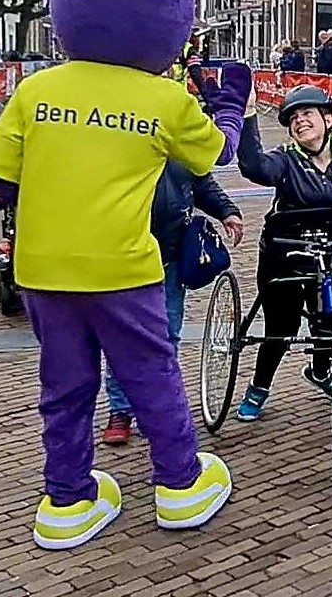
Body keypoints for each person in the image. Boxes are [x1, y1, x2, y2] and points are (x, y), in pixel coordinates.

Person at [0, 0, 251, 550]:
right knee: (152, 374)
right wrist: (231, 103)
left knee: (63, 385)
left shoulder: (34, 90)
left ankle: (66, 503)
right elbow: (218, 153)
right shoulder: (166, 99)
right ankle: (180, 486)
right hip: (123, 267)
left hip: (43, 268)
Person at [234, 84, 332, 420]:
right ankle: (259, 386)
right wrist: (248, 114)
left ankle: (322, 372)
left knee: (331, 322)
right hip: (286, 257)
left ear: (327, 118)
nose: (299, 121)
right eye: (293, 117)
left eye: (307, 113)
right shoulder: (286, 160)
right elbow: (255, 167)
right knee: (283, 327)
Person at [102, 155, 244, 445]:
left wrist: (227, 210)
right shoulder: (120, 142)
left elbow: (202, 182)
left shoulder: (179, 146)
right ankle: (120, 411)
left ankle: (158, 409)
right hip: (122, 259)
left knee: (167, 337)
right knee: (121, 338)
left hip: (169, 259)